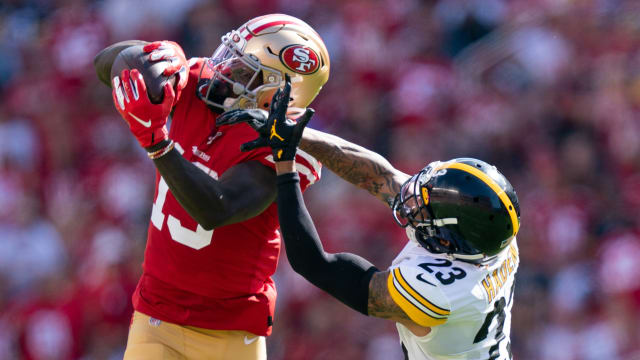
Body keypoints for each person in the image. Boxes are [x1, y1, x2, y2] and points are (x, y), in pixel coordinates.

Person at [217, 76, 521, 359]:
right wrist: (295, 135)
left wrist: (285, 166)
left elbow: (315, 264)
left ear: (449, 237)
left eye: (429, 207)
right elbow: (379, 175)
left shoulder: (437, 292)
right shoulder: (491, 238)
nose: (416, 200)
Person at [93, 14, 330, 359]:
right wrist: (151, 55)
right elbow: (103, 64)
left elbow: (217, 208)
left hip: (230, 333)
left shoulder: (286, 146)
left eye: (244, 69)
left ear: (281, 92)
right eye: (230, 56)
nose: (225, 69)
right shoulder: (201, 84)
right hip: (156, 313)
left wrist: (157, 144)